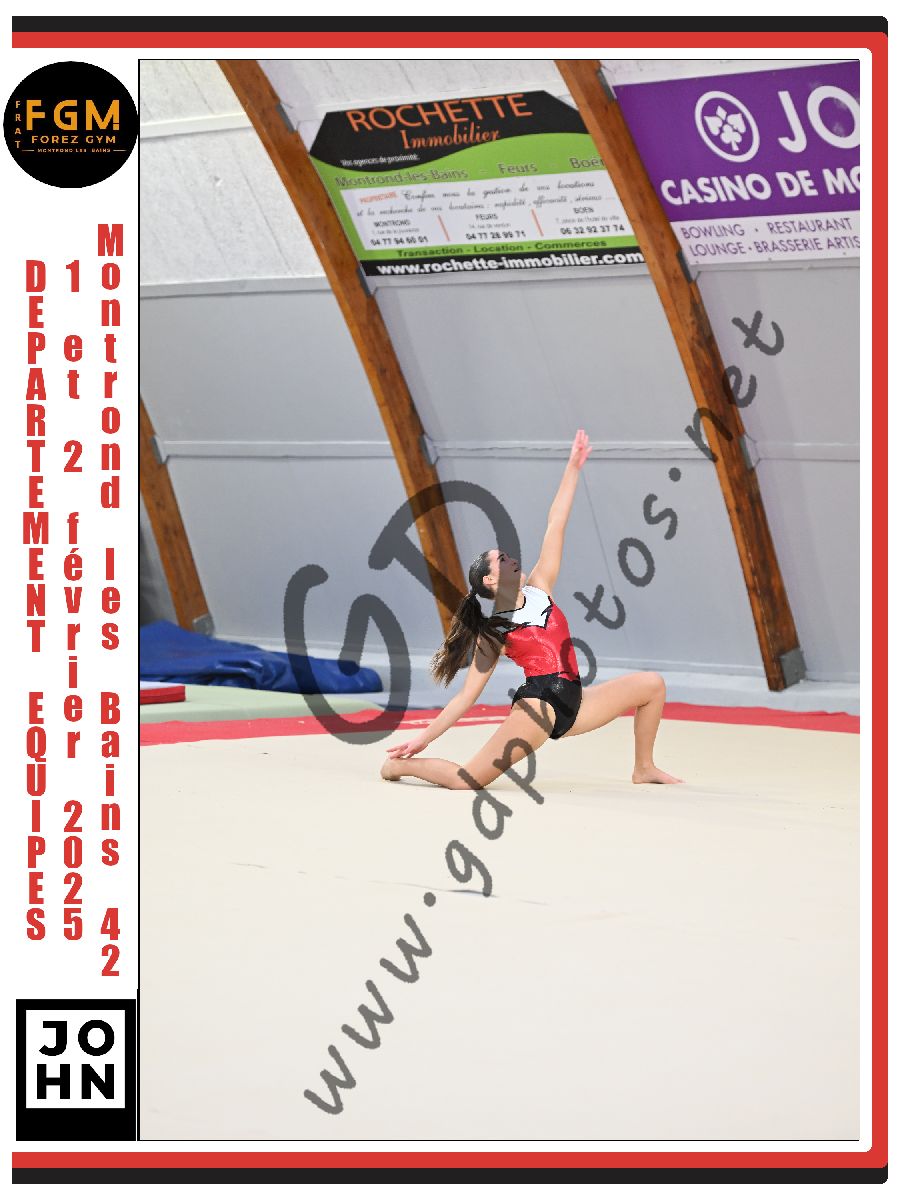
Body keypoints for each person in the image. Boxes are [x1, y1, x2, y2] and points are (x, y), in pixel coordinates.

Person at [380, 430, 682, 789]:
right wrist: (423, 738)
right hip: (538, 707)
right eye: (502, 561)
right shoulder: (495, 631)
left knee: (651, 685)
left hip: (577, 701)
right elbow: (466, 697)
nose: (512, 560)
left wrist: (573, 467)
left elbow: (556, 523)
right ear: (490, 581)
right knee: (467, 781)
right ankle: (398, 768)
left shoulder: (540, 588)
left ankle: (644, 767)